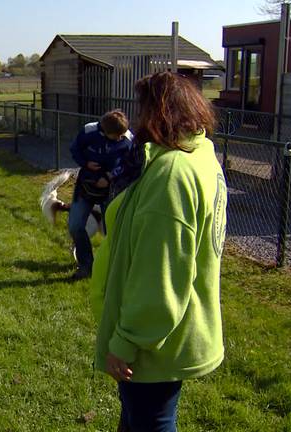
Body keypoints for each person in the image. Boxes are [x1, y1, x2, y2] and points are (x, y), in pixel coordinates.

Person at [91, 72, 227, 432]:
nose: (138, 120)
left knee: (151, 420)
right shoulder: (201, 153)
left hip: (155, 342)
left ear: (158, 112)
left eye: (144, 109)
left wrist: (126, 340)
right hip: (178, 329)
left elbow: (160, 276)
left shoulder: (172, 173)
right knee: (138, 418)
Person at [68, 110, 133, 280]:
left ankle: (112, 268)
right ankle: (86, 265)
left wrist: (110, 176)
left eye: (121, 135)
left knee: (111, 230)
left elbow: (130, 163)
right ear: (104, 131)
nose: (119, 138)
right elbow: (74, 149)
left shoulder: (127, 138)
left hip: (110, 189)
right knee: (75, 225)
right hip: (85, 186)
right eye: (115, 136)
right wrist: (85, 163)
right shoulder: (89, 132)